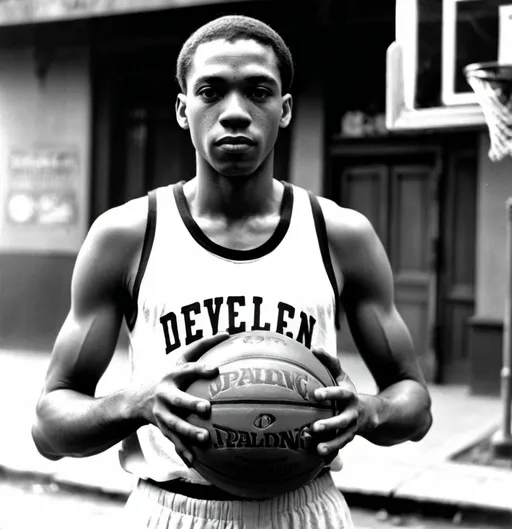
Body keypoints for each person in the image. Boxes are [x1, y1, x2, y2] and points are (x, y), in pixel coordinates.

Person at [31, 14, 432, 529]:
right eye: (211, 92)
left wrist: (370, 411)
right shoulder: (126, 236)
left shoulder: (341, 234)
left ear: (284, 110)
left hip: (305, 511)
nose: (235, 112)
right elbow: (48, 428)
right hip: (169, 512)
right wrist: (138, 402)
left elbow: (416, 407)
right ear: (183, 109)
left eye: (258, 92)